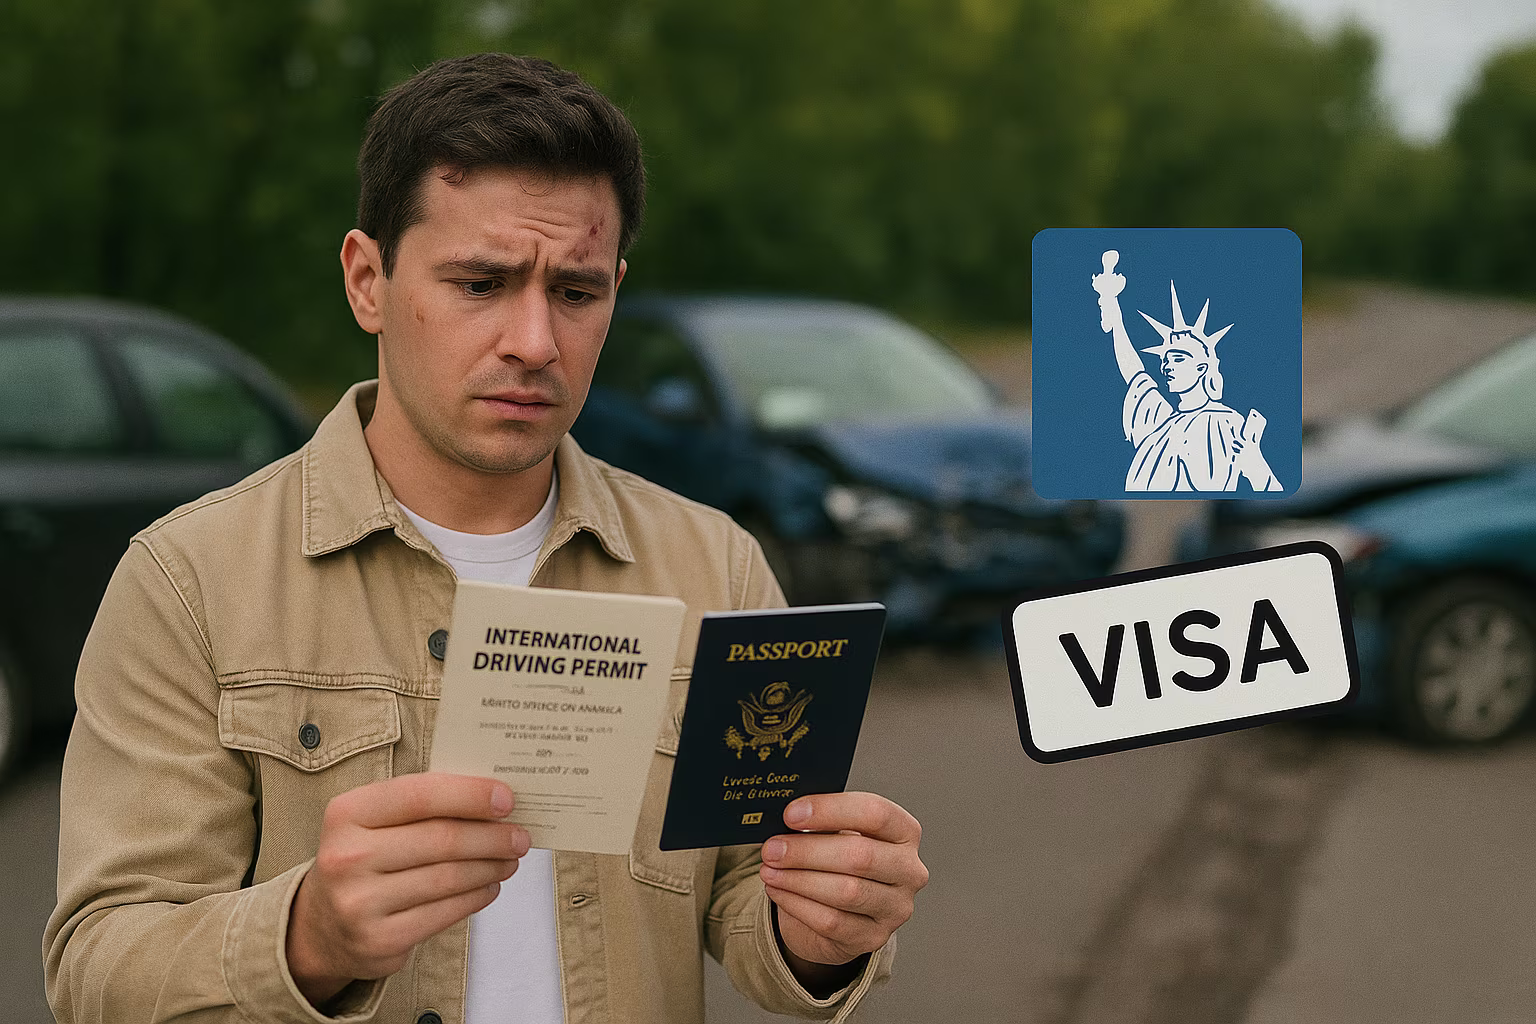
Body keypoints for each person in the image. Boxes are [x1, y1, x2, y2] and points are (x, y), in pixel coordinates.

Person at [44, 53, 928, 1024]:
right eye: (481, 283)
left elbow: (747, 893)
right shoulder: (190, 580)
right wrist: (306, 937)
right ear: (368, 281)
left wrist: (822, 925)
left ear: (615, 292)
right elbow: (97, 968)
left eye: (576, 293)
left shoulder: (714, 563)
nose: (535, 342)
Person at [1091, 252, 1281, 492]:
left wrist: (1256, 465)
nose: (1167, 366)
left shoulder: (1227, 422)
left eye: (1179, 359)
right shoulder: (1161, 421)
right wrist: (1113, 311)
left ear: (1202, 368)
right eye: (1166, 360)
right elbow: (1134, 371)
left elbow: (1273, 492)